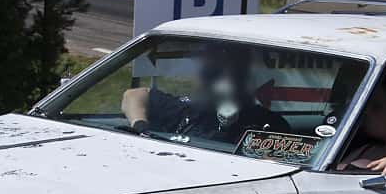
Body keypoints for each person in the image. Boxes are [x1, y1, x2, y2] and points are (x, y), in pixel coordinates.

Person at [119, 45, 290, 145]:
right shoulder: (188, 109)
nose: (224, 82)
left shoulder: (267, 122)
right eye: (212, 75)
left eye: (234, 75)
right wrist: (140, 127)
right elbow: (133, 95)